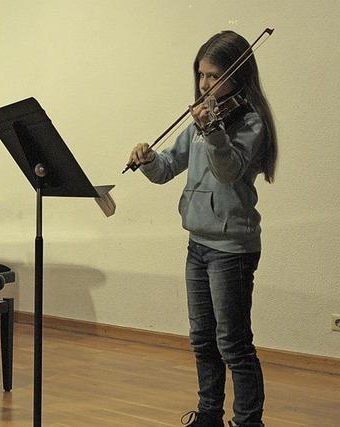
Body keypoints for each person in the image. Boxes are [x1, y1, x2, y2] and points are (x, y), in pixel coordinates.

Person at [128, 31, 277, 427]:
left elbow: (228, 171)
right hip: (198, 243)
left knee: (233, 344)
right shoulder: (201, 120)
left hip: (232, 247)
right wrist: (146, 159)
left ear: (237, 76)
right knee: (202, 340)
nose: (204, 84)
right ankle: (209, 415)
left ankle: (248, 420)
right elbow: (166, 169)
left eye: (213, 75)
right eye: (200, 75)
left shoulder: (249, 122)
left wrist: (212, 130)